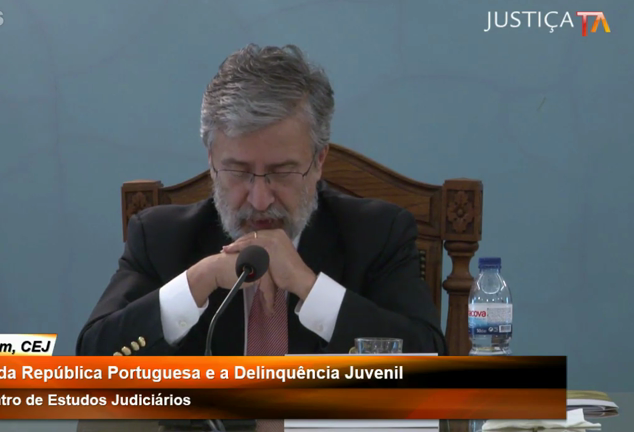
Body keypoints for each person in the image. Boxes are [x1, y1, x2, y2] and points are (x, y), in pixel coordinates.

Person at [77, 44, 446, 358]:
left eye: (281, 172)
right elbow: (94, 359)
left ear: (318, 161)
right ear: (211, 161)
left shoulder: (377, 234)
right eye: (238, 172)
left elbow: (429, 360)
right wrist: (200, 280)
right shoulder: (160, 238)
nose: (259, 199)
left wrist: (309, 287)